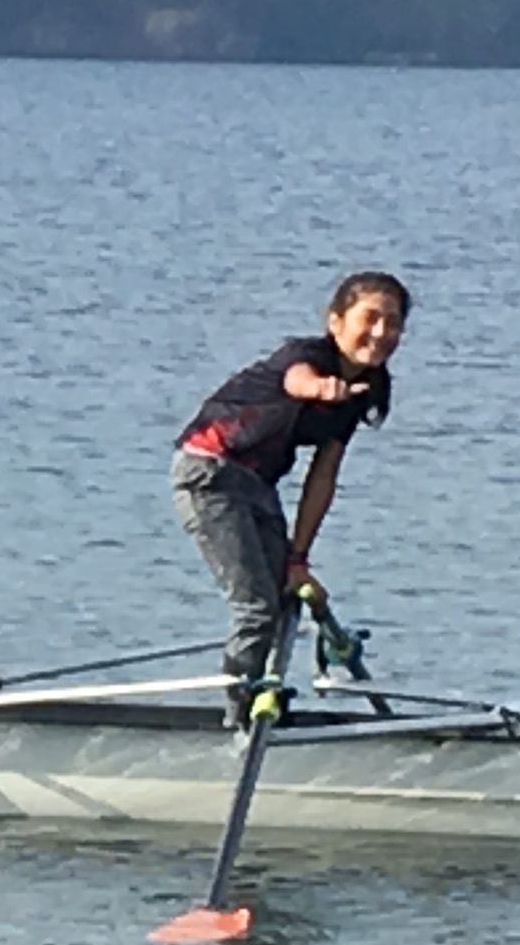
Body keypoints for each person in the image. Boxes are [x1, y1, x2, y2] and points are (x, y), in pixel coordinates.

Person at [172, 271, 409, 712]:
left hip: (257, 486)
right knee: (256, 608)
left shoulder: (365, 391)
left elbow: (323, 475)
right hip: (208, 474)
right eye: (370, 318)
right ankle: (240, 714)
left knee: (285, 596)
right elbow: (296, 381)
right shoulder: (304, 356)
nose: (380, 333)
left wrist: (299, 559)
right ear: (336, 321)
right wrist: (321, 388)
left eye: (393, 323)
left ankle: (265, 703)